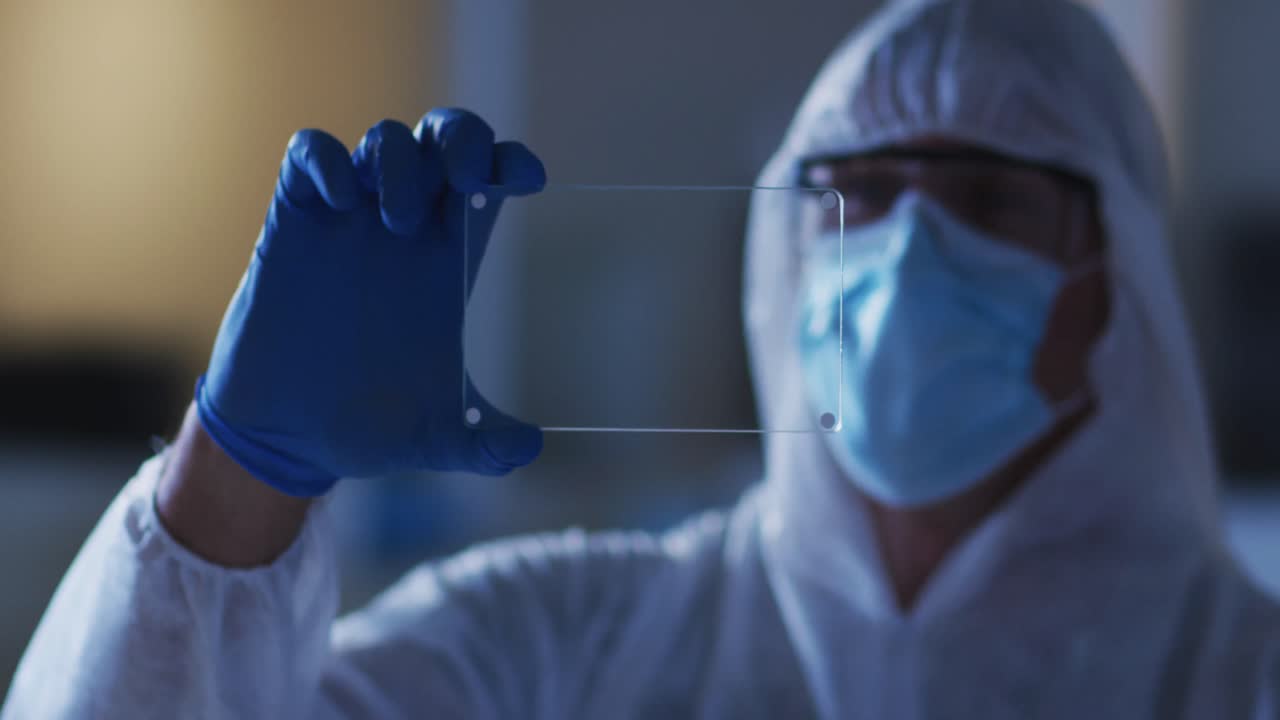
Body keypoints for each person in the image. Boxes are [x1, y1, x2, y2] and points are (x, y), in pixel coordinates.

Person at [5, 0, 1279, 717]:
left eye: (986, 201)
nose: (904, 254)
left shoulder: (1235, 675)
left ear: (1113, 282)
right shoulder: (562, 642)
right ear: (786, 254)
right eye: (859, 191)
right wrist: (236, 475)